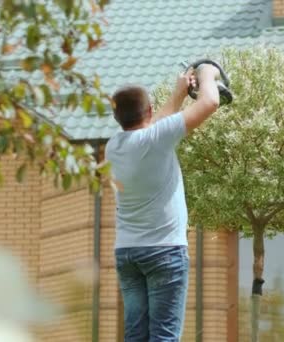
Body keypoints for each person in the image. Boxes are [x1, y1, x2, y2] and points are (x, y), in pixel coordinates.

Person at [105, 64, 221, 342]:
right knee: (164, 336)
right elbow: (210, 101)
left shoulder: (114, 146)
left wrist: (178, 95)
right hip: (164, 253)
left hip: (128, 253)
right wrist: (208, 71)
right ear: (148, 110)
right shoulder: (155, 139)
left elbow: (152, 126)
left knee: (136, 335)